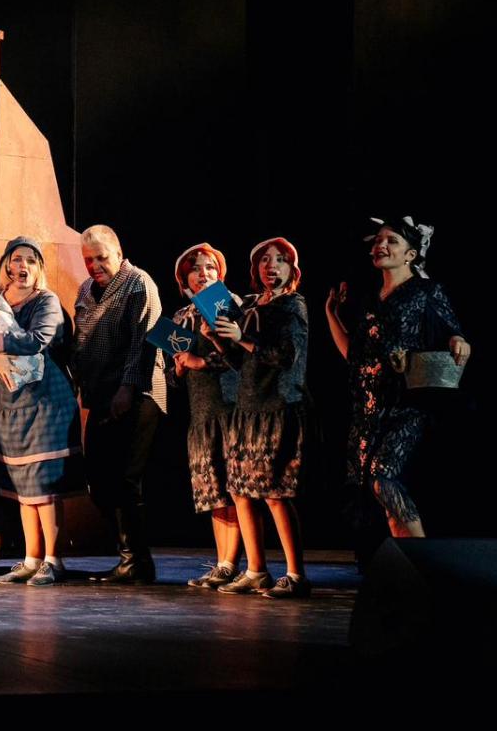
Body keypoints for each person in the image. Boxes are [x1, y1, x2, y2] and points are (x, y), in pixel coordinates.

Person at [325, 216, 470, 542]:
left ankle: (422, 558)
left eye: (391, 241)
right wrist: (331, 314)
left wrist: (459, 341)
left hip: (406, 403)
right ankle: (407, 561)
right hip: (368, 408)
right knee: (373, 488)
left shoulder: (425, 290)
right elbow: (353, 355)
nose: (381, 245)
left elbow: (452, 331)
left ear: (411, 255)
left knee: (383, 477)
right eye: (378, 240)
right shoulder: (370, 299)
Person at [0, 237, 82, 587]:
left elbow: (38, 339)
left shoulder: (46, 301)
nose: (24, 266)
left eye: (31, 260)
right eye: (17, 259)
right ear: (6, 266)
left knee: (44, 484)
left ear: (38, 268)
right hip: (11, 403)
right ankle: (31, 559)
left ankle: (53, 559)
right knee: (24, 485)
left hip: (46, 400)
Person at [213, 237, 311, 599]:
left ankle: (296, 574)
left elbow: (287, 356)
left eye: (280, 260)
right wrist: (221, 340)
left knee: (274, 493)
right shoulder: (253, 305)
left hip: (278, 407)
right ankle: (256, 570)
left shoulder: (293, 306)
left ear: (292, 268)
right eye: (265, 260)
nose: (272, 266)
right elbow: (240, 362)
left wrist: (244, 338)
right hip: (247, 407)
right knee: (240, 490)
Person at [71, 224, 166, 584]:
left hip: (138, 393)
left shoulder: (138, 283)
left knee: (125, 478)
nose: (95, 265)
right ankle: (130, 556)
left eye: (101, 257)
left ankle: (136, 561)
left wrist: (127, 388)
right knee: (97, 479)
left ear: (119, 253)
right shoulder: (85, 289)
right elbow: (81, 340)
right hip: (100, 394)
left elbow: (144, 343)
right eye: (88, 259)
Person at [169, 243, 242, 589]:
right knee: (213, 491)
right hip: (201, 412)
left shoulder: (229, 305)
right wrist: (180, 369)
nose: (203, 273)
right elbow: (172, 375)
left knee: (234, 488)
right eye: (196, 269)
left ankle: (233, 563)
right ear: (184, 278)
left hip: (230, 408)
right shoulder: (182, 317)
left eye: (210, 267)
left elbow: (241, 358)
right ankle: (222, 562)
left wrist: (201, 362)